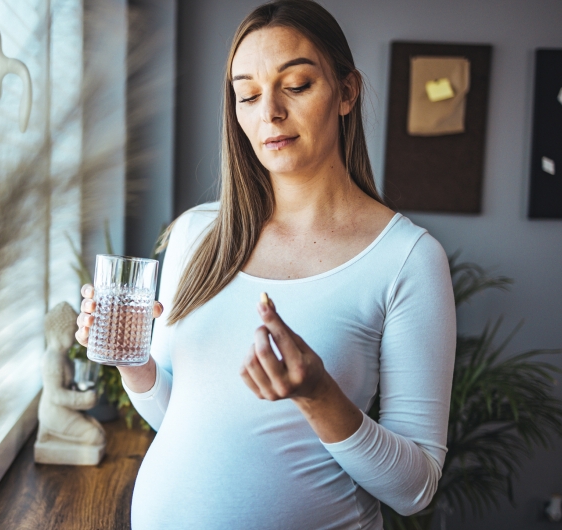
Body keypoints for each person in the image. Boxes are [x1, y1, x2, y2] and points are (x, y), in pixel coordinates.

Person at [76, 1, 455, 528]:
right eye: (248, 94)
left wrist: (319, 397)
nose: (269, 112)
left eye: (296, 85)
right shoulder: (196, 234)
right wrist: (131, 361)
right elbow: (177, 419)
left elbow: (416, 490)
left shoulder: (406, 259)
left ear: (346, 92)